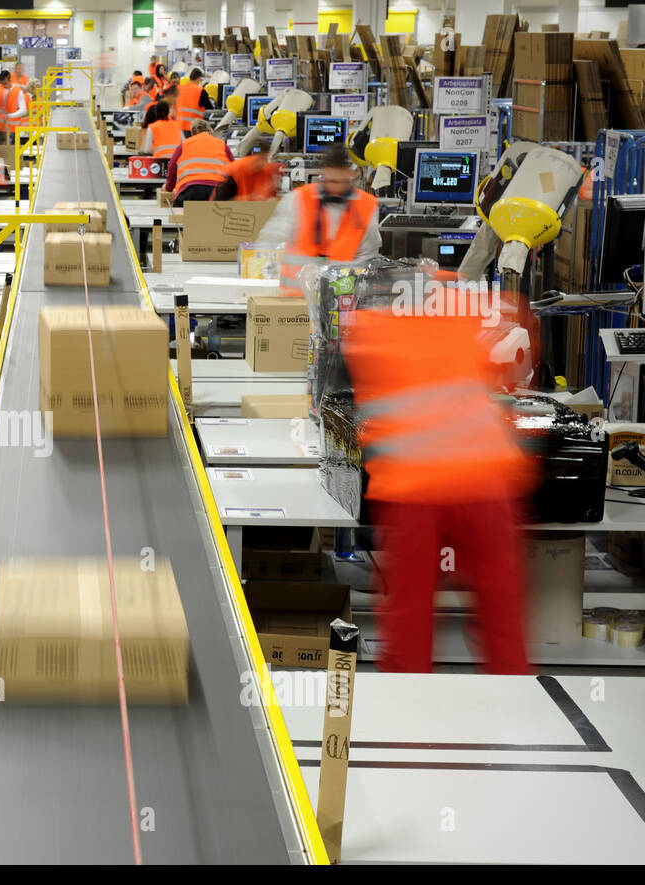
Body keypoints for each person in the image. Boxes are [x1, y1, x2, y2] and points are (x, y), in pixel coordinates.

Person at [340, 280, 536, 674]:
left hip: (414, 488)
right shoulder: (466, 311)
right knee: (502, 618)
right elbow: (520, 325)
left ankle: (406, 721)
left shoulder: (365, 330)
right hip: (484, 480)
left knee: (408, 618)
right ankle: (515, 706)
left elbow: (360, 407)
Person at [257, 143, 380, 294]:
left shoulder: (366, 206)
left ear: (351, 174)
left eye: (338, 182)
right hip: (293, 298)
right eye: (329, 180)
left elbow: (368, 259)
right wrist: (266, 282)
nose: (333, 188)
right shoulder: (298, 199)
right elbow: (268, 240)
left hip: (339, 302)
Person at [165, 119, 233, 205]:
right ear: (209, 131)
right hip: (219, 191)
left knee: (181, 216)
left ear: (192, 133)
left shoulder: (184, 145)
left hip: (190, 191)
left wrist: (169, 187)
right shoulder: (222, 145)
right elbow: (234, 170)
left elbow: (172, 168)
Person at [174, 68, 213, 132]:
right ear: (199, 78)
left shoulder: (178, 88)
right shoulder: (200, 90)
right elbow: (210, 108)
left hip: (179, 126)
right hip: (194, 128)